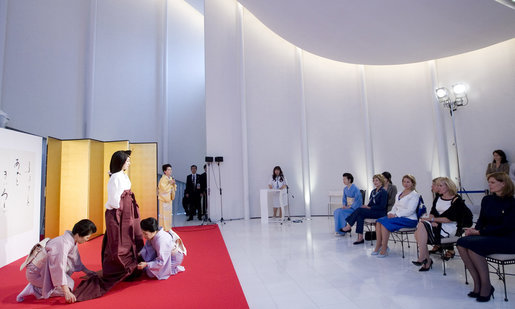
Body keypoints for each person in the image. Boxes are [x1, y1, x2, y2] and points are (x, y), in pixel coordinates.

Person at [73, 150, 144, 301]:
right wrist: (122, 213)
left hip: (126, 211)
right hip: (118, 213)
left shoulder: (122, 175)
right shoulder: (115, 178)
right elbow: (113, 201)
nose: (129, 163)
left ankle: (128, 266)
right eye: (127, 160)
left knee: (129, 238)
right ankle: (118, 268)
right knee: (118, 242)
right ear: (121, 162)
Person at [457, 172, 515, 302]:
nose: (490, 185)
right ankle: (478, 283)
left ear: (503, 183)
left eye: (493, 182)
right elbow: (482, 220)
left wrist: (479, 233)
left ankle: (486, 286)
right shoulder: (487, 199)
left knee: (474, 246)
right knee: (461, 242)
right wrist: (474, 229)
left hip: (508, 239)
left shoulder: (512, 203)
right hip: (489, 236)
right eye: (489, 182)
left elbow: (505, 227)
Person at [16, 219, 97, 303]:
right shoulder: (63, 244)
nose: (87, 239)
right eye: (87, 237)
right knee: (68, 287)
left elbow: (75, 260)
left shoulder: (71, 241)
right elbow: (58, 267)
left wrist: (89, 272)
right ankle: (36, 289)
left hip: (43, 269)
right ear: (78, 234)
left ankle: (41, 286)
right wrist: (66, 292)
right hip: (36, 273)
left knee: (69, 280)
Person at [412, 177, 470, 271]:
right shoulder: (438, 198)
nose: (438, 188)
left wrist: (433, 220)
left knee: (420, 228)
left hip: (450, 227)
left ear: (448, 186)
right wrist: (432, 220)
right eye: (437, 185)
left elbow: (450, 219)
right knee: (420, 227)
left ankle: (425, 259)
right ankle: (425, 259)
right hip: (438, 223)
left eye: (440, 185)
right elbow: (432, 212)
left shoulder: (456, 200)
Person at [372, 175, 420, 257]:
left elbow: (411, 210)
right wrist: (391, 213)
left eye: (408, 182)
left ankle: (384, 248)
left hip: (409, 219)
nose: (406, 184)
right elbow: (395, 206)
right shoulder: (399, 194)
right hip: (398, 217)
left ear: (412, 183)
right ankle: (378, 245)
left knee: (384, 223)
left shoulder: (415, 195)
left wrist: (396, 215)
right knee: (379, 221)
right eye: (404, 181)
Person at [341, 174, 388, 244]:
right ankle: (360, 238)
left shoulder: (383, 192)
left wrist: (369, 207)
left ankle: (348, 226)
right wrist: (366, 206)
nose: (375, 182)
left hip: (380, 212)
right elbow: (370, 203)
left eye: (377, 180)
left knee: (359, 210)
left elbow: (382, 206)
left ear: (381, 181)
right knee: (360, 214)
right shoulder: (373, 191)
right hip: (373, 210)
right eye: (374, 181)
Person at [158, 164, 177, 230]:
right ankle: (163, 227)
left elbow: (174, 188)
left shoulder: (170, 178)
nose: (170, 171)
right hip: (164, 200)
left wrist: (173, 184)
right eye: (168, 169)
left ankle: (168, 227)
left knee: (168, 213)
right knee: (164, 214)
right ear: (164, 171)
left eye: (170, 169)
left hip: (169, 199)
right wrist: (170, 184)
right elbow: (164, 189)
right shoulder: (163, 179)